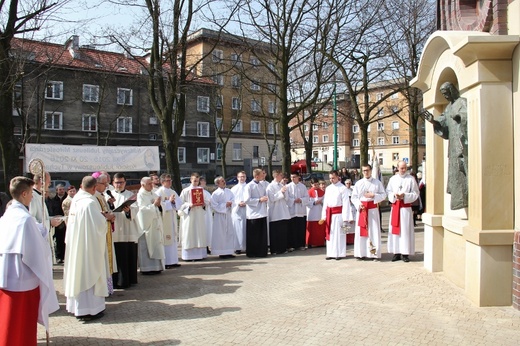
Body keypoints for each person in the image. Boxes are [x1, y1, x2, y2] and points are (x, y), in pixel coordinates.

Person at [0, 177, 59, 345]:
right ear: (24, 193)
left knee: (8, 321)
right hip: (24, 279)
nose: (33, 197)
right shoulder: (25, 219)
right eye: (31, 193)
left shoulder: (6, 216)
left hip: (5, 277)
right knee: (22, 323)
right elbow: (35, 251)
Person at [64, 176, 111, 321]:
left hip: (76, 246)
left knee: (77, 274)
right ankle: (91, 309)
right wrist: (106, 218)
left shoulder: (76, 200)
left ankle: (78, 308)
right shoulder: (90, 202)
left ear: (80, 185)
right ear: (94, 188)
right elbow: (98, 226)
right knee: (90, 274)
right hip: (88, 248)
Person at [423, 81, 468, 210]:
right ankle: (459, 200)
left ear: (452, 91)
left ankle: (463, 198)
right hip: (453, 146)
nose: (446, 97)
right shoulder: (448, 108)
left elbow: (467, 117)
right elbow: (443, 124)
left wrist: (460, 116)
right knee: (455, 173)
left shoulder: (462, 102)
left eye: (447, 93)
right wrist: (433, 120)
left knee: (461, 171)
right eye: (443, 95)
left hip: (461, 144)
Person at [386, 161, 420, 263]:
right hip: (396, 207)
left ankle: (405, 253)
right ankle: (396, 252)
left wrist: (405, 196)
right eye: (401, 168)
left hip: (405, 209)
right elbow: (388, 191)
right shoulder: (393, 179)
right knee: (395, 229)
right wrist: (394, 196)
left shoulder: (411, 179)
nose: (403, 170)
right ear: (397, 168)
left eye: (405, 168)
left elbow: (416, 193)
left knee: (405, 230)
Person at [351, 164, 387, 261]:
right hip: (362, 210)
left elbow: (384, 195)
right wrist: (359, 204)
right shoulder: (358, 183)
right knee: (361, 231)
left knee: (373, 231)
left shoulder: (377, 183)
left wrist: (374, 195)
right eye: (364, 170)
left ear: (371, 171)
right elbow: (354, 197)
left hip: (372, 210)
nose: (366, 172)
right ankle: (361, 253)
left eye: (367, 170)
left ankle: (373, 254)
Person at [111, 173, 140, 288]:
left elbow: (136, 209)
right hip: (114, 230)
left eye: (121, 182)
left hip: (127, 230)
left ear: (125, 183)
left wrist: (128, 211)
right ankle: (116, 281)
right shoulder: (108, 195)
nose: (119, 185)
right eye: (117, 182)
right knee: (116, 256)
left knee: (128, 255)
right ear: (113, 183)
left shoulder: (130, 195)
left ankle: (128, 280)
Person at [320, 170, 354, 260]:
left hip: (339, 214)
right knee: (331, 233)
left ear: (338, 177)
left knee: (340, 234)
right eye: (330, 178)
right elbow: (325, 203)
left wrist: (346, 217)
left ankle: (340, 253)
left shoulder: (342, 188)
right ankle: (330, 253)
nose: (331, 180)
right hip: (330, 214)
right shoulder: (328, 188)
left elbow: (346, 203)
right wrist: (324, 216)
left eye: (333, 178)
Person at [93, 172, 117, 294]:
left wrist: (111, 215)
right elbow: (97, 216)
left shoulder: (101, 196)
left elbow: (105, 211)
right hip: (99, 234)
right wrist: (108, 217)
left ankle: (108, 288)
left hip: (106, 230)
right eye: (104, 184)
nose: (106, 186)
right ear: (96, 184)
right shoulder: (94, 198)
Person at [136, 177, 165, 274]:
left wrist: (160, 205)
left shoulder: (154, 193)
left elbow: (161, 206)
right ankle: (147, 268)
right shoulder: (140, 195)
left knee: (157, 244)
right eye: (149, 184)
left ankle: (157, 267)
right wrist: (154, 206)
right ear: (142, 185)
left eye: (151, 183)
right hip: (147, 225)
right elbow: (141, 211)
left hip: (156, 224)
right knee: (147, 246)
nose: (151, 185)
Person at [179, 173, 209, 261]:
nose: (196, 182)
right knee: (189, 232)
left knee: (199, 233)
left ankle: (200, 255)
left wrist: (204, 204)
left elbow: (207, 201)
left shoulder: (201, 190)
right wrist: (189, 205)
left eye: (197, 180)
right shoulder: (185, 191)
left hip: (199, 214)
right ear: (190, 180)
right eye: (194, 180)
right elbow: (180, 204)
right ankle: (188, 256)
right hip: (190, 214)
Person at [156, 173, 182, 268]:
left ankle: (173, 261)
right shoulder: (159, 192)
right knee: (166, 239)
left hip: (172, 218)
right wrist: (169, 202)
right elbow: (159, 205)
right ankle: (167, 262)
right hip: (164, 219)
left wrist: (174, 202)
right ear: (162, 182)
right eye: (168, 180)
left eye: (170, 180)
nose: (170, 182)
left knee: (173, 239)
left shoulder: (172, 191)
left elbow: (179, 203)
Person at [244, 168, 269, 258]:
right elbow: (246, 200)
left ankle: (261, 251)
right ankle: (252, 252)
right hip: (253, 214)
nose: (263, 176)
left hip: (262, 212)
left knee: (262, 234)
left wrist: (266, 198)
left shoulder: (262, 185)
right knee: (254, 234)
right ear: (256, 176)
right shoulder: (249, 186)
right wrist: (259, 200)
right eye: (262, 175)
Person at [210, 176, 237, 259]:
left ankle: (229, 251)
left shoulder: (229, 191)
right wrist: (224, 205)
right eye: (222, 181)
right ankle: (221, 252)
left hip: (228, 214)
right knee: (220, 234)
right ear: (218, 183)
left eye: (224, 180)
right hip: (220, 216)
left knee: (229, 233)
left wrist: (230, 203)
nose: (224, 182)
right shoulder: (215, 193)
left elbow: (233, 200)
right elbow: (214, 205)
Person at [266, 170, 291, 255]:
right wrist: (281, 192)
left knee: (282, 231)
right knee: (275, 231)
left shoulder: (282, 185)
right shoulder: (270, 186)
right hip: (275, 212)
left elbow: (287, 198)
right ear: (276, 176)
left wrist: (285, 192)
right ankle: (275, 249)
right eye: (281, 175)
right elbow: (272, 198)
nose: (282, 177)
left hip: (283, 211)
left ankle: (282, 248)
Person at [286, 172, 310, 250]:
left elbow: (307, 197)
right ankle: (291, 245)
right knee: (292, 229)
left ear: (298, 177)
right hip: (292, 210)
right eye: (291, 177)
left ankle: (301, 245)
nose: (293, 179)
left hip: (300, 210)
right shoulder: (288, 186)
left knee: (300, 228)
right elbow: (286, 198)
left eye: (294, 177)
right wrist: (293, 200)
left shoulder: (302, 186)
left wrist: (301, 200)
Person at [230, 171, 248, 254]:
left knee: (246, 228)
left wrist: (246, 203)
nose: (242, 178)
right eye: (240, 177)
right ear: (237, 178)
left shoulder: (248, 187)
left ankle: (247, 246)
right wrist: (238, 203)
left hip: (247, 210)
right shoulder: (233, 189)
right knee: (237, 229)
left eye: (243, 176)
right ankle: (237, 247)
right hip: (237, 211)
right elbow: (231, 200)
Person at [306, 178, 326, 248]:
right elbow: (306, 202)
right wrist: (314, 202)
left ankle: (320, 242)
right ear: (311, 184)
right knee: (312, 228)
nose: (316, 186)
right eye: (314, 185)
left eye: (317, 184)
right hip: (312, 212)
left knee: (319, 227)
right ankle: (310, 243)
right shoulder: (308, 192)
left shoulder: (322, 192)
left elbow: (325, 200)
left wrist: (321, 202)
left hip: (319, 211)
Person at [199, 177, 213, 254]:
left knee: (207, 229)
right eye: (202, 181)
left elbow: (210, 201)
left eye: (204, 181)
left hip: (206, 212)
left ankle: (207, 246)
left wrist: (207, 202)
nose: (203, 183)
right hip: (199, 213)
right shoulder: (196, 191)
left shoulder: (206, 192)